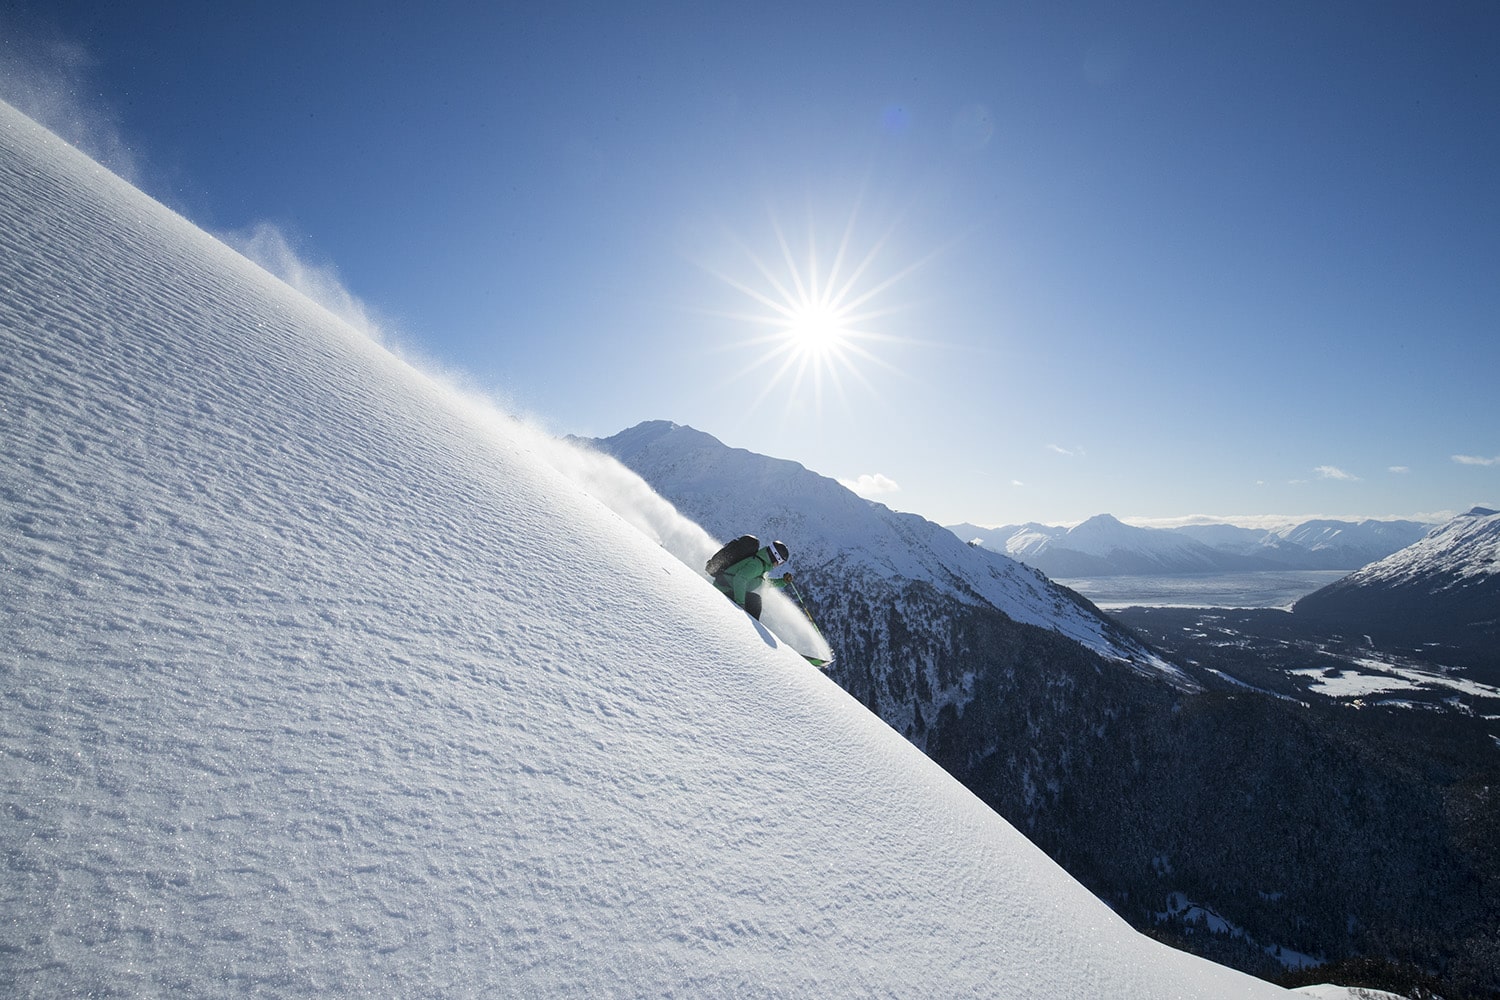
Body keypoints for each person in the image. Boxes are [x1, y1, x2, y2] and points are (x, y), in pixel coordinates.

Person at [713, 540, 791, 620]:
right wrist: (740, 604)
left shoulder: (761, 564)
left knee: (754, 600)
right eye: (781, 562)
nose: (780, 564)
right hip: (723, 588)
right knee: (755, 601)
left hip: (727, 587)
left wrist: (783, 582)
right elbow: (739, 579)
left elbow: (763, 583)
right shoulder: (757, 566)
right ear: (775, 556)